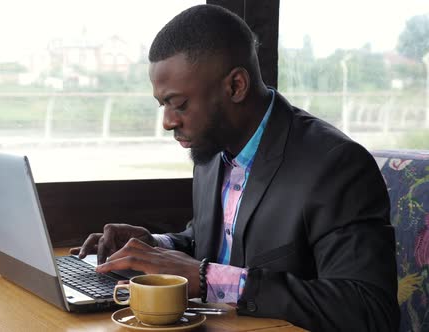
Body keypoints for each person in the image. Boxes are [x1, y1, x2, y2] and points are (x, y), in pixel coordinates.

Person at [69, 5, 399, 331]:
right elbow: (215, 242)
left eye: (179, 104)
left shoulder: (336, 166)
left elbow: (367, 310)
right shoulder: (212, 151)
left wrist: (208, 279)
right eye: (163, 105)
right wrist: (155, 247)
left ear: (236, 86)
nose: (168, 122)